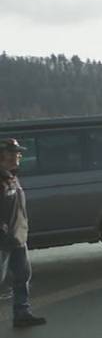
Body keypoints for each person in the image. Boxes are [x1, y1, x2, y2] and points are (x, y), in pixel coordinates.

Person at [0, 138, 46, 328]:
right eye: (12, 153)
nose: (17, 155)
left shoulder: (12, 176)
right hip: (2, 241)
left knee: (22, 276)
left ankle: (22, 313)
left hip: (18, 237)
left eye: (18, 152)